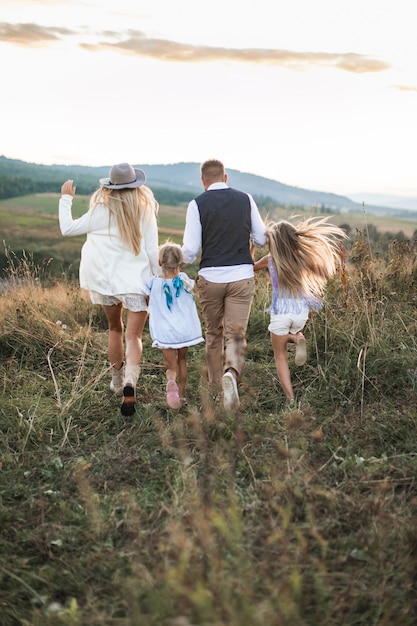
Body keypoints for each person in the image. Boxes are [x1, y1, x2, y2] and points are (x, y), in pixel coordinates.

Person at [59, 162, 160, 416]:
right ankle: (130, 382)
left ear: (111, 187)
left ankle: (116, 381)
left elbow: (67, 228)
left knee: (115, 328)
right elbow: (152, 252)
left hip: (106, 282)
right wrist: (156, 282)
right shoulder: (145, 211)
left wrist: (65, 199)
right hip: (136, 281)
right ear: (135, 186)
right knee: (134, 336)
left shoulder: (99, 211)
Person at [182, 159, 267, 412]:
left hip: (210, 278)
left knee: (214, 333)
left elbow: (189, 251)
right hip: (242, 275)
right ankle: (232, 374)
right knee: (236, 334)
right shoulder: (246, 199)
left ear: (203, 180)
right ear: (225, 177)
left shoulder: (196, 204)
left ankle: (216, 391)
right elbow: (262, 239)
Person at [253, 216, 347, 403]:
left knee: (280, 356)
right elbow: (326, 272)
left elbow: (249, 268)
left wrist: (251, 247)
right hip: (301, 313)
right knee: (291, 332)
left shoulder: (270, 260)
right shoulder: (302, 259)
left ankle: (290, 398)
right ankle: (296, 336)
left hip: (281, 312)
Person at [144, 242, 204, 409]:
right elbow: (194, 287)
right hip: (184, 331)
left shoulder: (153, 283)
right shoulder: (184, 281)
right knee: (182, 360)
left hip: (165, 333)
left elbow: (148, 301)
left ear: (160, 262)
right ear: (180, 263)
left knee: (171, 366)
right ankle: (182, 395)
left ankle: (171, 382)